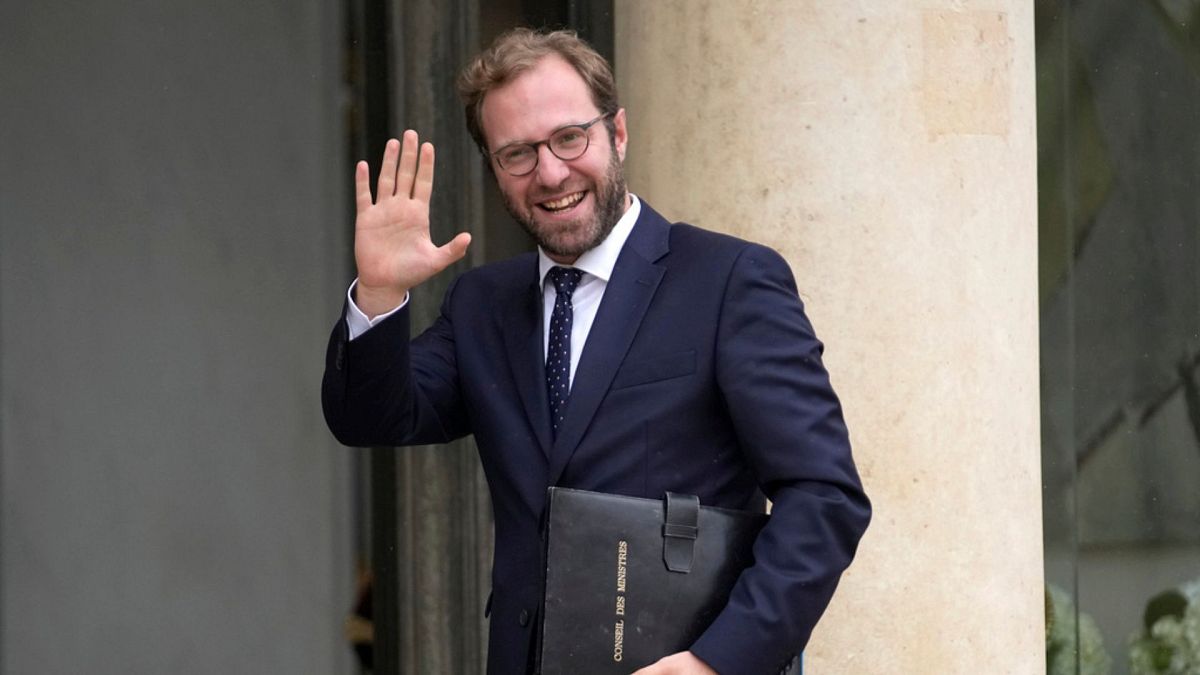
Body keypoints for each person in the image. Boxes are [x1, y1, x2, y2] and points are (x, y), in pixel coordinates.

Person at [323, 27, 870, 675]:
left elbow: (824, 496)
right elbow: (372, 415)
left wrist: (716, 661)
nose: (550, 172)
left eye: (568, 137)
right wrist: (380, 294)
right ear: (495, 169)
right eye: (517, 154)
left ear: (618, 132)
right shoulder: (482, 305)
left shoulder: (728, 281)